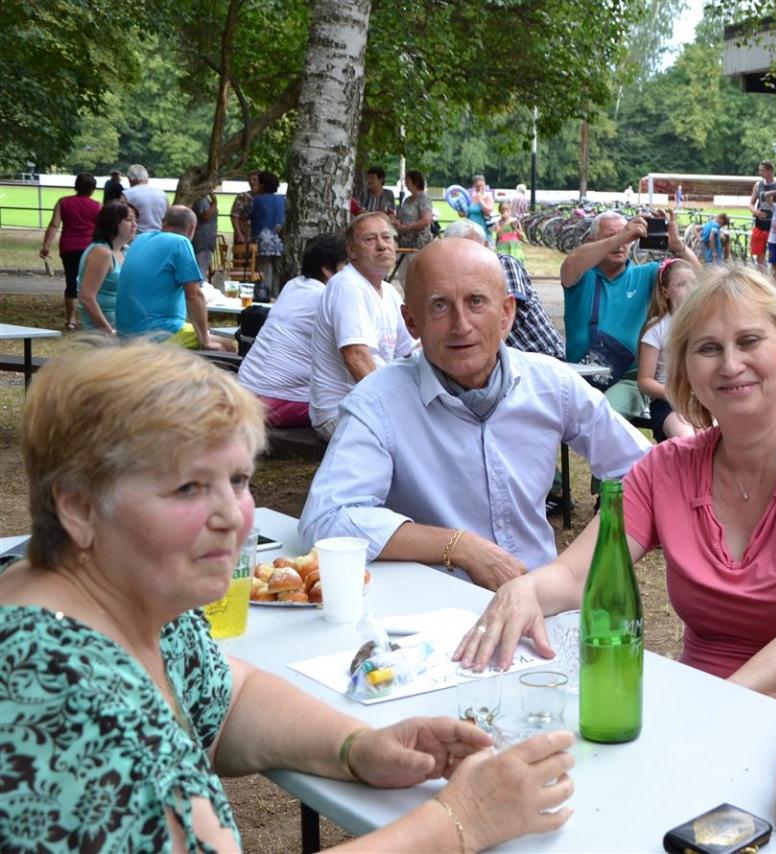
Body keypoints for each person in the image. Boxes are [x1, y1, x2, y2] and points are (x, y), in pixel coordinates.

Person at [0, 341, 575, 852]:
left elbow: (226, 699)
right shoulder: (53, 688)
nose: (233, 517)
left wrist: (358, 747)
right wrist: (460, 822)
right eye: (188, 488)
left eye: (237, 480)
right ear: (78, 507)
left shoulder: (135, 596)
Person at [457, 266, 776, 720]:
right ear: (687, 370)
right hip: (705, 698)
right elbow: (574, 576)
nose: (730, 364)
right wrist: (525, 590)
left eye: (749, 341)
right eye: (708, 348)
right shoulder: (665, 468)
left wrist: (700, 712)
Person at [300, 238, 649, 590]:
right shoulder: (378, 402)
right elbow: (327, 519)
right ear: (411, 322)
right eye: (439, 305)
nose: (461, 324)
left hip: (543, 601)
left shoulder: (551, 383)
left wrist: (568, 573)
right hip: (433, 607)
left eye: (476, 301)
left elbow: (645, 474)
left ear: (507, 312)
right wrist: (459, 547)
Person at [560, 210, 697, 418]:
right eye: (610, 236)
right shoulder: (580, 274)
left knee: (603, 416)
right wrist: (622, 236)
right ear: (591, 240)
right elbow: (571, 262)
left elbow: (700, 281)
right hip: (579, 375)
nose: (622, 243)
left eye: (628, 237)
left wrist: (678, 246)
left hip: (628, 379)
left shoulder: (646, 274)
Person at [308, 212, 416, 438]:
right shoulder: (347, 286)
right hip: (343, 411)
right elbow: (356, 358)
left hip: (371, 403)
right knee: (421, 439)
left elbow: (410, 352)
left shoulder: (389, 292)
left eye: (387, 237)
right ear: (352, 251)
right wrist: (396, 407)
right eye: (370, 239)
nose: (382, 245)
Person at [238, 234, 348, 428]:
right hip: (278, 402)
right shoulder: (328, 297)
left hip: (243, 392)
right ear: (327, 269)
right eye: (347, 265)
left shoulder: (293, 285)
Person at [114, 206, 232, 352]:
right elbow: (194, 295)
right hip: (157, 333)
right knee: (228, 345)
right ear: (192, 229)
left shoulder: (139, 240)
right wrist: (205, 340)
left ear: (163, 224)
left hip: (124, 331)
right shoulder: (180, 242)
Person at [444, 219, 564, 359]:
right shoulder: (461, 277)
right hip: (511, 361)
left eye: (471, 249)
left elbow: (502, 318)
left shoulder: (503, 264)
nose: (466, 256)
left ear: (486, 245)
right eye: (458, 251)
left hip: (542, 355)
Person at [636, 259, 698, 441]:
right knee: (687, 438)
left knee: (714, 437)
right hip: (667, 402)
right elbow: (644, 381)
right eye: (681, 284)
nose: (689, 289)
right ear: (665, 292)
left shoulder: (705, 325)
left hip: (701, 401)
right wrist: (675, 394)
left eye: (693, 283)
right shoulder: (657, 328)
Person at [38, 172, 100, 330]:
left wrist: (46, 245)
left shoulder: (63, 202)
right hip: (90, 249)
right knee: (91, 283)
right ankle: (92, 318)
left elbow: (54, 225)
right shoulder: (97, 206)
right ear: (93, 189)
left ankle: (71, 320)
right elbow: (101, 229)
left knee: (71, 281)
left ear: (76, 186)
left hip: (68, 247)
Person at [76, 202, 136, 335]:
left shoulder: (126, 250)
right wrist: (109, 332)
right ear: (113, 223)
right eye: (128, 220)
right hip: (104, 329)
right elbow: (86, 297)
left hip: (124, 324)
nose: (134, 225)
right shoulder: (101, 252)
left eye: (135, 220)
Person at [250, 171, 286, 298]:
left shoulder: (256, 200)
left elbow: (246, 216)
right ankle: (277, 296)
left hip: (262, 242)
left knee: (263, 271)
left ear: (262, 185)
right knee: (278, 273)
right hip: (280, 243)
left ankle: (263, 295)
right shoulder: (283, 200)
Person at [749, 161, 776, 269]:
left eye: (762, 170)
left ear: (770, 171)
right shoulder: (758, 185)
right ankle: (762, 276)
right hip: (760, 226)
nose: (760, 173)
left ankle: (774, 277)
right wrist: (755, 212)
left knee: (774, 256)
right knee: (759, 255)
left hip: (774, 228)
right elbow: (751, 204)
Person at [122, 163, 169, 233]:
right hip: (159, 234)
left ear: (130, 178)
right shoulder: (162, 194)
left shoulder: (126, 195)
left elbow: (120, 218)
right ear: (146, 177)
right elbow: (168, 215)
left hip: (137, 235)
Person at [396, 169, 434, 252]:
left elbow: (426, 220)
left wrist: (408, 227)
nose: (406, 183)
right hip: (404, 242)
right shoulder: (407, 200)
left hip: (419, 243)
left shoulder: (424, 198)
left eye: (408, 181)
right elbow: (400, 216)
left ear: (416, 182)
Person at [192, 190, 219, 280]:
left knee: (202, 268)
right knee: (200, 269)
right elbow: (206, 215)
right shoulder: (201, 200)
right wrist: (215, 201)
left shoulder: (203, 199)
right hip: (203, 239)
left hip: (206, 238)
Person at [231, 171, 259, 245]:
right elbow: (234, 216)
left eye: (254, 179)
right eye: (250, 180)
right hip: (244, 236)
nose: (252, 182)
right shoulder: (244, 196)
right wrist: (238, 234)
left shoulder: (265, 197)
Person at [466, 174, 495, 245]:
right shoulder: (471, 198)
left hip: (484, 230)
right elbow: (466, 214)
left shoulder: (488, 197)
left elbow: (488, 211)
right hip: (472, 230)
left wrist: (481, 200)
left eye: (482, 185)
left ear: (485, 185)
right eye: (478, 186)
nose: (480, 188)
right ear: (474, 186)